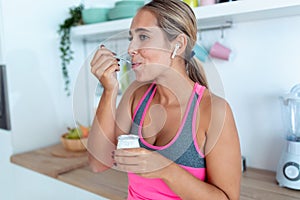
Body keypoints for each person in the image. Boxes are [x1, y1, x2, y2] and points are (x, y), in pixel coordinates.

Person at [88, 0, 241, 199]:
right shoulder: (136, 93)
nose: (131, 48)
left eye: (143, 36)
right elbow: (98, 163)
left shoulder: (213, 111)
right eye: (131, 38)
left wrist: (165, 169)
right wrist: (109, 90)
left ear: (178, 44)